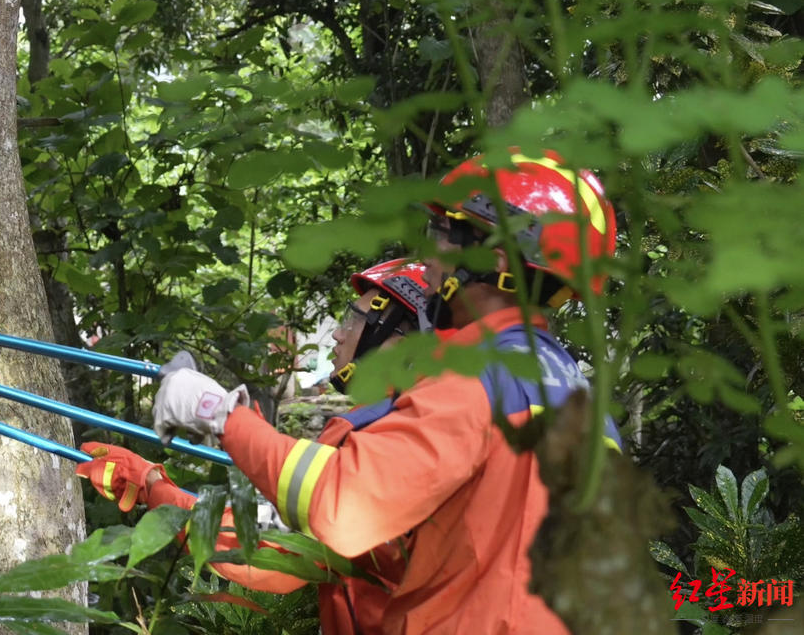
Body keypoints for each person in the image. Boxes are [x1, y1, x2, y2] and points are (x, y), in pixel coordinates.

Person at [148, 149, 621, 635]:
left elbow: (343, 509)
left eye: (442, 232)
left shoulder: (476, 379)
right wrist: (156, 487)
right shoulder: (569, 390)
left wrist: (217, 414)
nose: (429, 255)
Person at [76, 258, 439, 633]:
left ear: (398, 337)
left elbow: (261, 547)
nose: (338, 334)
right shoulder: (417, 428)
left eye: (354, 319)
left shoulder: (390, 437)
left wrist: (152, 484)